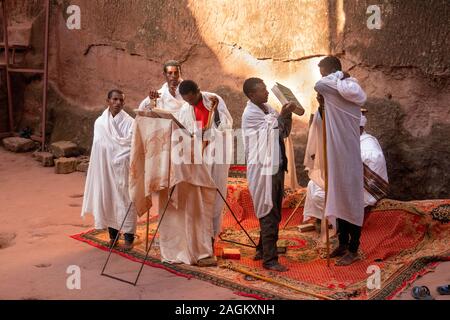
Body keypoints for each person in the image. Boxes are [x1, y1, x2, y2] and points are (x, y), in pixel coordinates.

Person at [242, 77, 303, 272]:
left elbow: (282, 131)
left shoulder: (267, 109)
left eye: (266, 88)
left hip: (275, 167)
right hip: (263, 170)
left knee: (274, 210)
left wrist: (287, 115)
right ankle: (270, 259)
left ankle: (263, 248)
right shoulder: (250, 115)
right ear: (252, 95)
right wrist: (282, 115)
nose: (267, 92)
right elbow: (270, 133)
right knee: (269, 211)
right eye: (262, 90)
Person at [312, 55, 367, 266]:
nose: (322, 76)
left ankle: (354, 248)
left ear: (333, 70)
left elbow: (320, 84)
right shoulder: (334, 89)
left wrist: (340, 75)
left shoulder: (349, 86)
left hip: (349, 155)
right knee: (338, 197)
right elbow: (324, 119)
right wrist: (323, 107)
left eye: (324, 71)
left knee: (351, 200)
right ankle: (343, 243)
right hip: (335, 154)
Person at [303, 113, 389, 233]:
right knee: (313, 184)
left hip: (362, 188)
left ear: (360, 128)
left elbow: (372, 161)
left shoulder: (368, 143)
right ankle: (322, 218)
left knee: (321, 196)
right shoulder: (350, 140)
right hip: (345, 180)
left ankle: (337, 221)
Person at [176, 80, 233, 249]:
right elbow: (183, 130)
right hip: (198, 156)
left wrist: (214, 114)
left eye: (192, 100)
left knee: (215, 192)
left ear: (198, 91)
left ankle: (211, 235)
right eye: (187, 101)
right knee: (198, 195)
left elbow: (226, 125)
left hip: (217, 154)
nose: (190, 103)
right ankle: (198, 235)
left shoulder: (214, 100)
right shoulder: (185, 108)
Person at [81, 89, 137, 250]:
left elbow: (132, 145)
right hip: (106, 169)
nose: (118, 102)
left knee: (126, 200)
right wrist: (112, 154)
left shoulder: (130, 122)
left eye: (121, 100)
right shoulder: (100, 122)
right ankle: (113, 236)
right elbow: (99, 147)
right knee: (109, 200)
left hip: (123, 169)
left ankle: (129, 237)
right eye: (115, 99)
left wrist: (118, 155)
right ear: (108, 101)